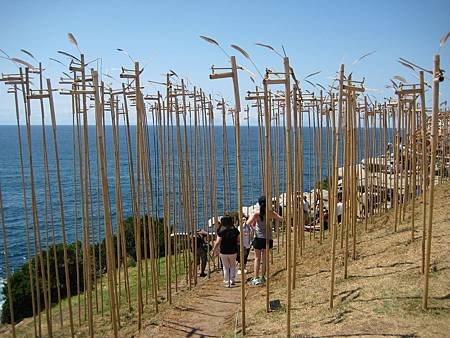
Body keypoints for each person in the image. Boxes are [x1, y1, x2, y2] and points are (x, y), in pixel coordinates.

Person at [246, 196, 283, 286]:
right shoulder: (271, 213)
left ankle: (255, 278)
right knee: (265, 259)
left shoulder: (256, 214)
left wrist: (253, 228)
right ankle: (263, 276)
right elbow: (281, 219)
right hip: (268, 238)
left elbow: (247, 224)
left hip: (258, 238)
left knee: (257, 258)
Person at [213, 215, 239, 287]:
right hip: (233, 250)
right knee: (233, 265)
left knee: (225, 266)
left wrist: (214, 249)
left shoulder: (221, 231)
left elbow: (217, 242)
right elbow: (239, 240)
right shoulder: (235, 230)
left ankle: (227, 282)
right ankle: (232, 280)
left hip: (223, 251)